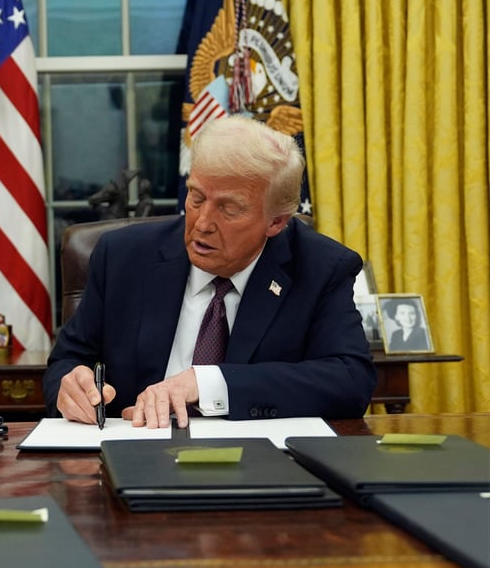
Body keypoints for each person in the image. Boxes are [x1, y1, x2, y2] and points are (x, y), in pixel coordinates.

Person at [44, 116, 377, 428]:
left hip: (258, 460)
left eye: (229, 209)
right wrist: (70, 387)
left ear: (276, 222)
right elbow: (67, 361)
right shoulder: (123, 257)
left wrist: (208, 383)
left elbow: (350, 381)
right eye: (196, 197)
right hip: (133, 450)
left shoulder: (320, 268)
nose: (202, 224)